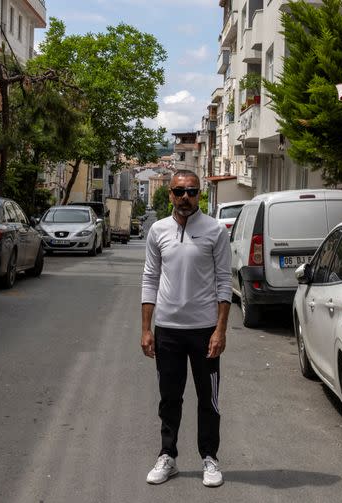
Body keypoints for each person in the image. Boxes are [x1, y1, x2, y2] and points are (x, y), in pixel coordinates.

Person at [141, 169, 232, 488]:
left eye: (191, 191)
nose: (185, 198)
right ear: (170, 195)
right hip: (167, 331)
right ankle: (168, 456)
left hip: (204, 331)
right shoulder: (158, 231)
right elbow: (150, 278)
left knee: (208, 399)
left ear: (199, 194)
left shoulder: (215, 231)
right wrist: (146, 328)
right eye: (179, 192)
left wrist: (220, 330)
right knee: (169, 398)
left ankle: (210, 458)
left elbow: (225, 282)